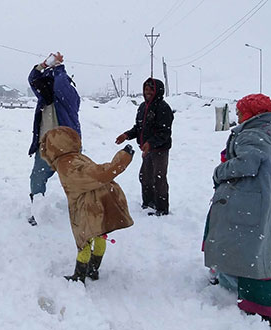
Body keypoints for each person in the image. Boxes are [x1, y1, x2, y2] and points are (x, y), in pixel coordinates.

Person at [202, 94, 271, 327]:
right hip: (270, 197)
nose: (238, 115)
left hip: (249, 201)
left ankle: (244, 295)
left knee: (240, 245)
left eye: (241, 112)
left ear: (252, 113)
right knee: (255, 246)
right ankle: (233, 283)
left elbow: (247, 164)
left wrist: (220, 171)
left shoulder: (252, 133)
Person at [40, 126, 135, 282]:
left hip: (87, 208)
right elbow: (97, 174)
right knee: (98, 236)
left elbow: (99, 174)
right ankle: (92, 269)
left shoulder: (68, 162)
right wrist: (121, 159)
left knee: (85, 240)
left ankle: (80, 274)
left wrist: (122, 159)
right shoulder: (73, 160)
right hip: (95, 203)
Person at [27, 52, 81, 225]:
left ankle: (80, 209)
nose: (42, 88)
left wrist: (58, 68)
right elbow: (33, 79)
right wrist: (44, 65)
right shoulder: (44, 100)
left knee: (74, 181)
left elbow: (60, 86)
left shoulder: (69, 99)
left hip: (67, 149)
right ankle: (37, 210)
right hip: (46, 148)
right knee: (37, 178)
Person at [115, 78, 173, 216]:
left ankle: (161, 209)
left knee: (159, 178)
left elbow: (164, 132)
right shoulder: (142, 107)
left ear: (157, 91)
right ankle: (148, 203)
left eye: (151, 90)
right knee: (145, 177)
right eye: (146, 89)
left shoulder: (163, 108)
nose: (148, 92)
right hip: (146, 149)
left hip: (159, 150)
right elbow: (138, 128)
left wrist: (151, 143)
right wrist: (126, 135)